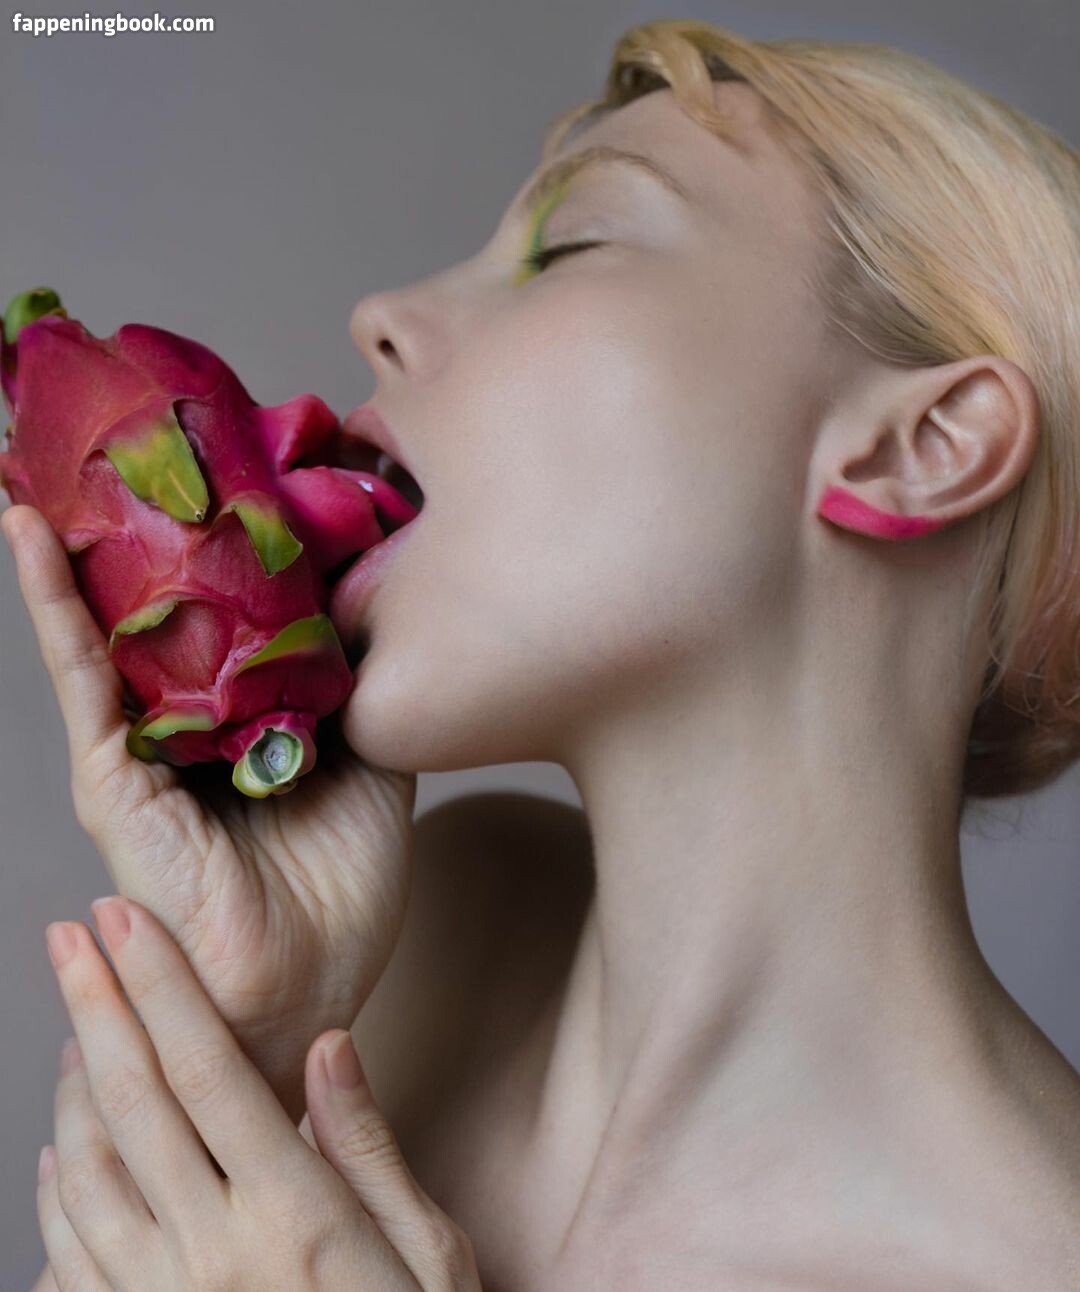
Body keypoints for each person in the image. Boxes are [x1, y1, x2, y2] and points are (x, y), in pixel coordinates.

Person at [12, 17, 1080, 1290]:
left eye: (571, 244)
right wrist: (246, 1040)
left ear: (925, 448)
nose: (377, 317)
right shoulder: (457, 925)